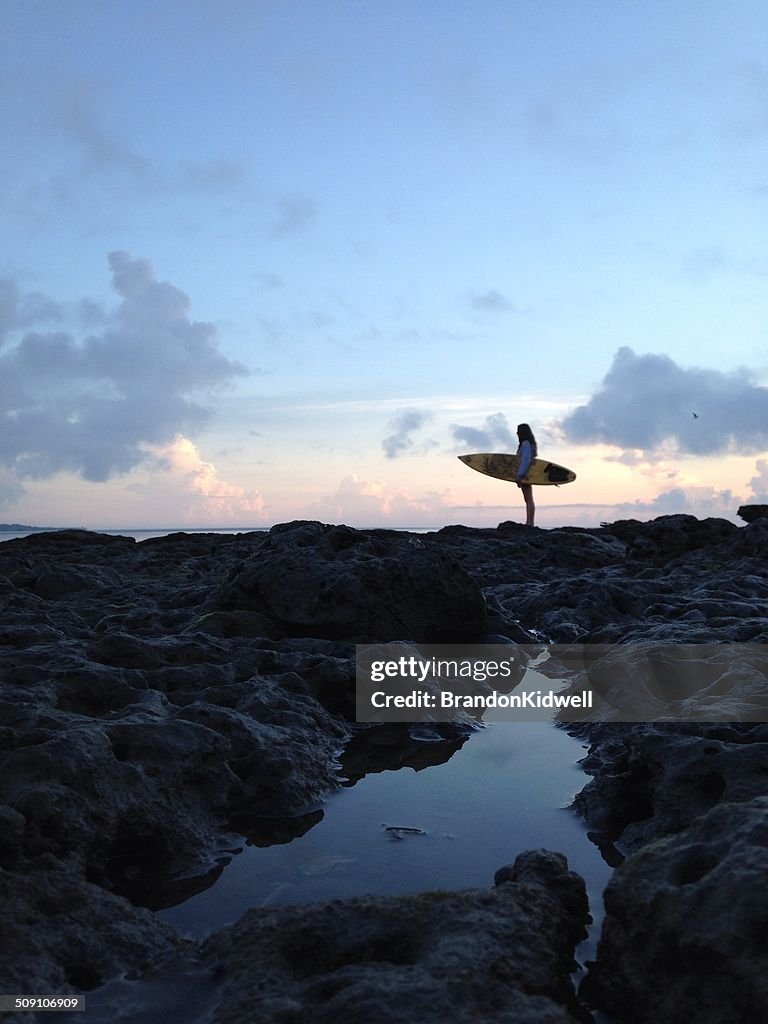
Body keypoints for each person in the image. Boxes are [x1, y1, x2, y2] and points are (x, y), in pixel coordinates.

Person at [515, 423, 537, 527]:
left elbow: (525, 460)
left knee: (528, 499)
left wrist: (520, 475)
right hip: (527, 474)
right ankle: (529, 522)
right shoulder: (529, 444)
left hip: (526, 475)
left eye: (518, 431)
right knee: (528, 499)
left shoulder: (526, 444)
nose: (517, 433)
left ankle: (530, 523)